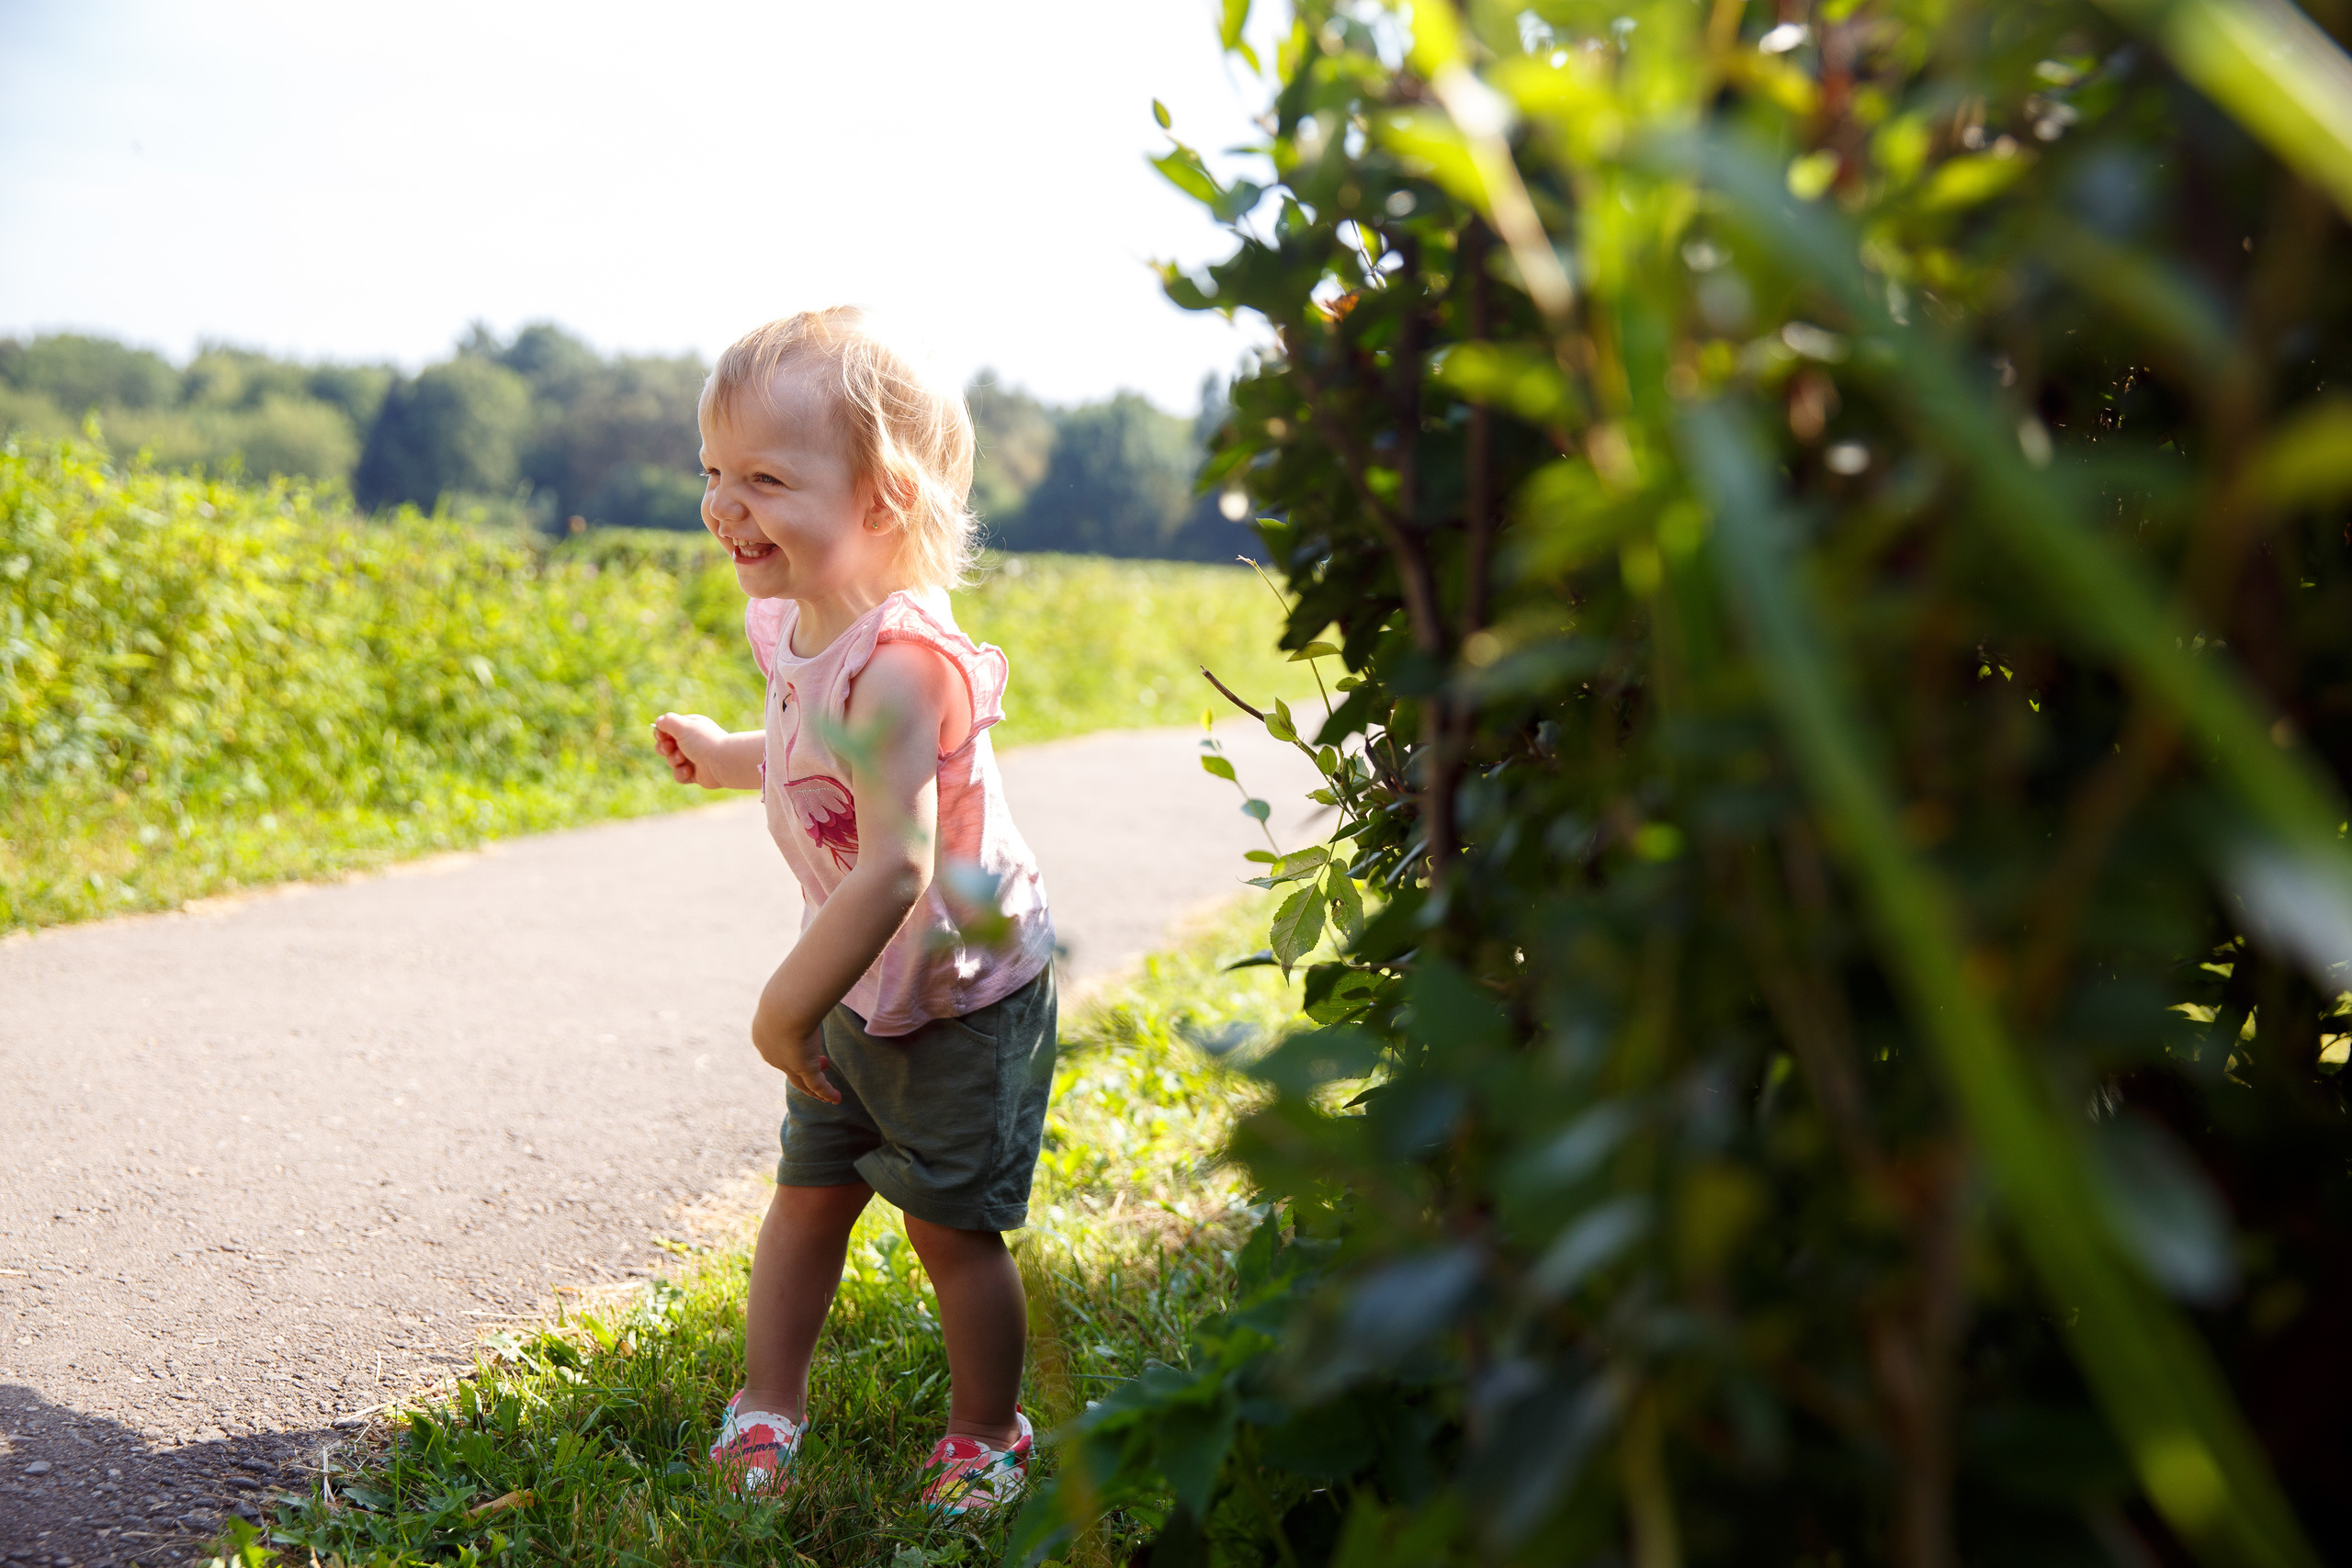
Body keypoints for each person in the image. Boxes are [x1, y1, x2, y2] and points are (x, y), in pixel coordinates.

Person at [650, 308, 1057, 1516]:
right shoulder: (795, 625)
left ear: (882, 501)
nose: (725, 506)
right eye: (714, 474)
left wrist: (784, 1008)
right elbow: (806, 754)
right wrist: (729, 752)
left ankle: (989, 1432)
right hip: (858, 978)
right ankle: (766, 1405)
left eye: (765, 479)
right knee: (810, 1195)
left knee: (950, 1228)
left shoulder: (903, 662)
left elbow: (893, 865)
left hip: (953, 985)